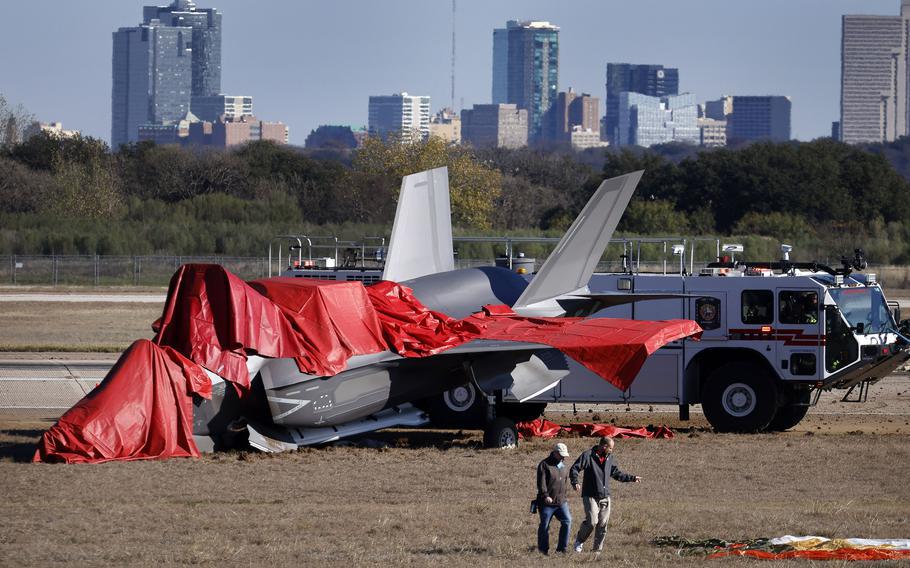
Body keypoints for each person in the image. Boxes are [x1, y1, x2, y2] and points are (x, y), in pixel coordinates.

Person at [569, 436, 641, 553]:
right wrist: (575, 482)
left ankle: (597, 551)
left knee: (602, 525)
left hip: (605, 496)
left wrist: (632, 478)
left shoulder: (609, 458)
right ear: (604, 446)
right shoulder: (588, 455)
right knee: (592, 522)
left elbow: (616, 473)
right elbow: (574, 469)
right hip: (590, 495)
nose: (612, 450)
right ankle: (579, 540)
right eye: (611, 448)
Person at [536, 442, 572, 554]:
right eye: (561, 455)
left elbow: (565, 482)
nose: (563, 457)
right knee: (544, 526)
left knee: (567, 521)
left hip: (561, 502)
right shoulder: (544, 464)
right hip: (547, 503)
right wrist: (545, 495)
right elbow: (541, 483)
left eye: (564, 455)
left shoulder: (563, 465)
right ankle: (543, 550)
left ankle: (562, 549)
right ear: (555, 453)